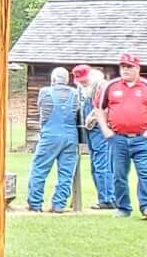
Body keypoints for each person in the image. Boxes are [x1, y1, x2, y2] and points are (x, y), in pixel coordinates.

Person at [98, 51, 147, 218]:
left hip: (142, 138)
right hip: (118, 138)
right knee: (119, 174)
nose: (125, 70)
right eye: (122, 67)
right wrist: (105, 130)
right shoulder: (111, 86)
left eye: (129, 67)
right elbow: (99, 108)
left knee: (144, 172)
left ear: (137, 68)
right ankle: (123, 208)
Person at [25, 66, 83, 212]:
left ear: (53, 79)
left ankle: (35, 203)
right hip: (70, 136)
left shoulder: (45, 92)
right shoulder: (75, 94)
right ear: (67, 79)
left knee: (39, 169)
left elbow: (42, 113)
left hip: (50, 135)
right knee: (66, 173)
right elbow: (76, 112)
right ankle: (59, 204)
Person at [70, 62, 107, 207]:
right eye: (80, 81)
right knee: (95, 164)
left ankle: (108, 199)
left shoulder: (101, 86)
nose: (82, 83)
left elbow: (106, 107)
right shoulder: (82, 89)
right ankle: (102, 197)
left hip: (101, 129)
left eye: (84, 80)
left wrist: (93, 117)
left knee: (102, 164)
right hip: (90, 130)